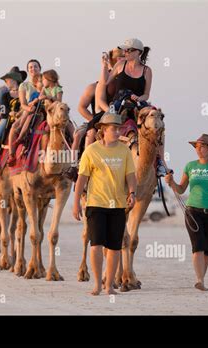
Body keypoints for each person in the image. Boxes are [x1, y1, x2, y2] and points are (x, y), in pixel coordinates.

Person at [73, 112, 137, 296]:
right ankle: (97, 284)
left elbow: (130, 175)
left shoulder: (124, 150)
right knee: (96, 245)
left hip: (117, 205)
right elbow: (82, 179)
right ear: (103, 130)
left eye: (119, 128)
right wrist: (76, 203)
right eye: (113, 129)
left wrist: (132, 192)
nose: (117, 131)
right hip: (96, 204)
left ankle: (109, 285)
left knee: (115, 247)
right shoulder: (92, 150)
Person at [164, 134, 208, 291]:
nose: (199, 149)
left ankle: (201, 280)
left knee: (207, 249)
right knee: (197, 246)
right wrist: (172, 182)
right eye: (197, 147)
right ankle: (199, 280)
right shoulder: (190, 166)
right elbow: (181, 189)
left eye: (202, 146)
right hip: (193, 211)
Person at [64, 48, 125, 181]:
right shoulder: (94, 87)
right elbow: (81, 107)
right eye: (118, 59)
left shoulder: (125, 81)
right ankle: (77, 165)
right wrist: (96, 121)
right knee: (80, 134)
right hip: (99, 118)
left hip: (122, 119)